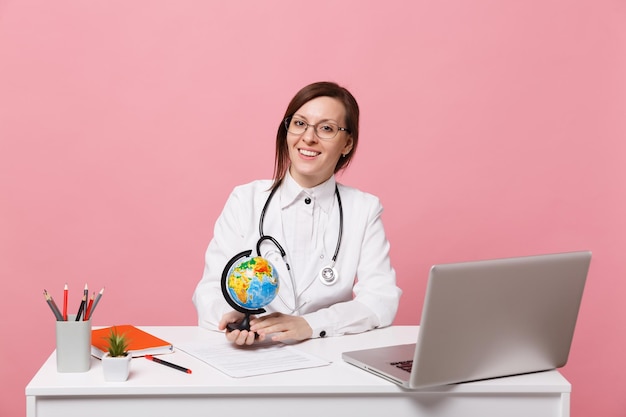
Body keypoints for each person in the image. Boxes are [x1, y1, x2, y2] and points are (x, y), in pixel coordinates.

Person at [192, 81, 402, 346]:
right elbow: (209, 290)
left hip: (329, 359)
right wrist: (232, 315)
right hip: (256, 356)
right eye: (300, 124)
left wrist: (312, 325)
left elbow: (380, 300)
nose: (309, 137)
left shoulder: (363, 209)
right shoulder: (245, 200)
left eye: (326, 128)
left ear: (347, 144)